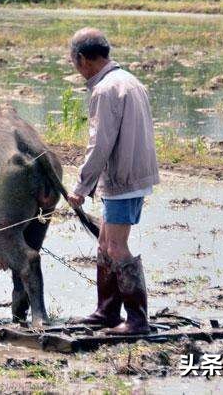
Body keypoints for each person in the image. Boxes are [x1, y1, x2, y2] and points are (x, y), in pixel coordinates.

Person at [65, 28, 159, 335]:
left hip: (123, 179)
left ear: (83, 60)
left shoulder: (105, 90)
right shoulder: (130, 81)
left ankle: (137, 320)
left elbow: (100, 145)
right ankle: (106, 312)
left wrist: (80, 187)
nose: (75, 68)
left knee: (116, 247)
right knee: (105, 244)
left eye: (73, 61)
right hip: (131, 175)